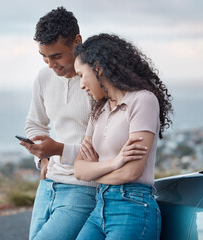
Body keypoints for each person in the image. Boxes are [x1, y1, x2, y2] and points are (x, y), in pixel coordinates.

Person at [19, 7, 147, 240]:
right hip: (48, 186)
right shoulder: (44, 77)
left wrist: (59, 149)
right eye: (44, 57)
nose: (50, 64)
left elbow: (106, 147)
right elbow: (35, 124)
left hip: (83, 188)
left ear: (77, 41)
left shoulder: (99, 84)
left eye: (56, 56)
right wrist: (43, 158)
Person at [73, 33, 173, 240]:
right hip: (100, 204)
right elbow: (79, 170)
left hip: (132, 206)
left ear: (98, 68)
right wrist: (115, 162)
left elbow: (131, 173)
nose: (81, 84)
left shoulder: (142, 100)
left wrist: (95, 171)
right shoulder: (98, 111)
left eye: (81, 75)